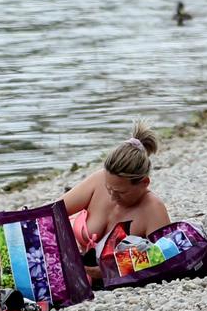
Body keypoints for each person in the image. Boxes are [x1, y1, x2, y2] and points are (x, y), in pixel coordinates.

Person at [60, 120, 170, 280]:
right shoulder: (98, 181)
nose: (112, 196)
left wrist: (103, 272)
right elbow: (51, 213)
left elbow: (162, 260)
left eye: (121, 192)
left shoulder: (153, 209)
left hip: (96, 279)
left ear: (144, 183)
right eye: (109, 188)